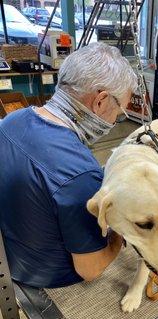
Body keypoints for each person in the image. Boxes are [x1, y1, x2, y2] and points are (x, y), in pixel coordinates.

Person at [0, 42, 138, 288]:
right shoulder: (81, 175)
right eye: (119, 115)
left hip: (9, 257)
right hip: (47, 276)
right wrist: (119, 234)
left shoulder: (11, 121)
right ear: (101, 100)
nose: (114, 122)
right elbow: (91, 269)